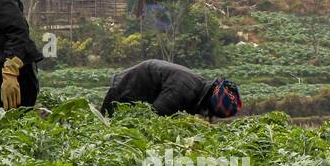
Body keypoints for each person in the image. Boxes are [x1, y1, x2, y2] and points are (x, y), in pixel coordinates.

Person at [101, 59, 241, 120]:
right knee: (107, 132)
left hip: (134, 90)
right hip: (123, 92)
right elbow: (154, 118)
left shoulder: (197, 85)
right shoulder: (183, 91)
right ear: (208, 105)